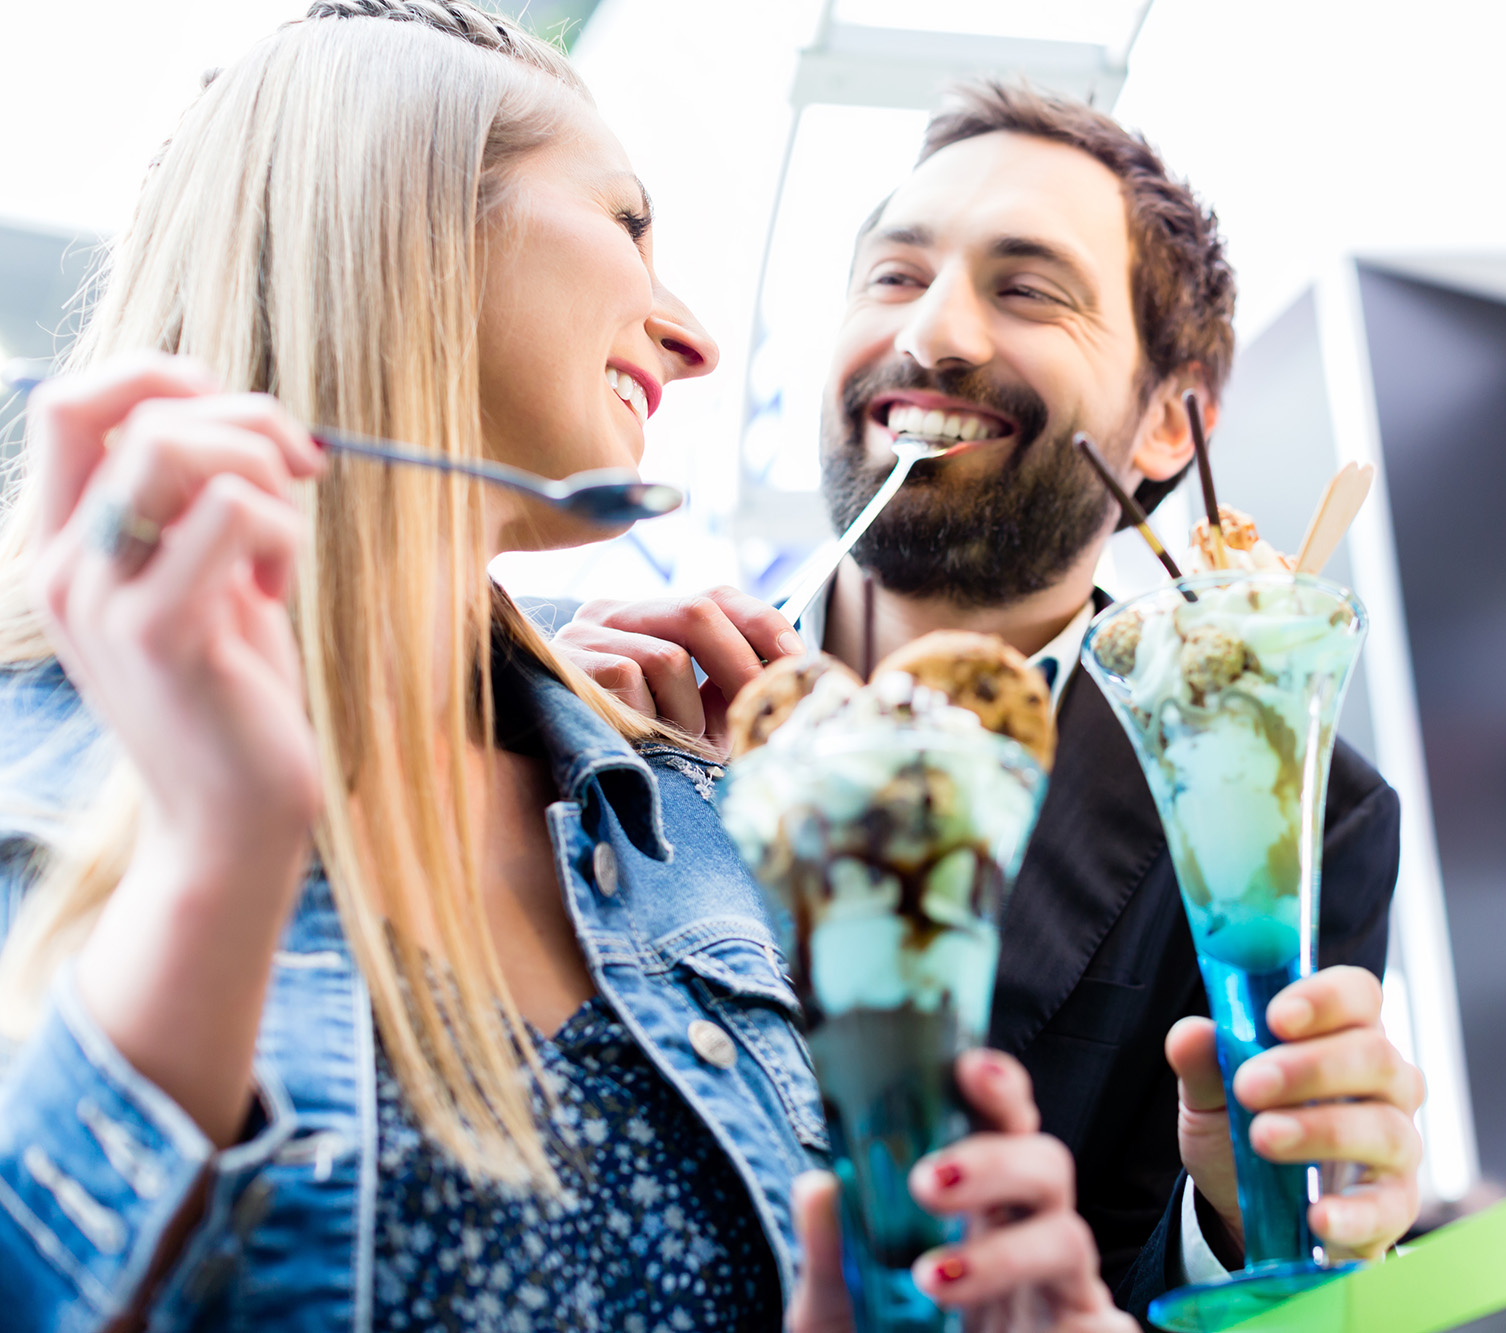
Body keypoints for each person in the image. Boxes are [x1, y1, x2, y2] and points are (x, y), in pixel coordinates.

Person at [0, 7, 1131, 1331]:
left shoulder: (673, 811)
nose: (695, 337)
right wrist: (223, 846)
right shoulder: (44, 788)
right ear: (403, 222)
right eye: (629, 224)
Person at [551, 82, 1427, 1315]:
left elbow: (1222, 1269)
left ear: (1172, 422)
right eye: (893, 276)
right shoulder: (595, 695)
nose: (934, 335)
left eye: (1027, 290)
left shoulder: (1287, 788)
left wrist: (1245, 1215)